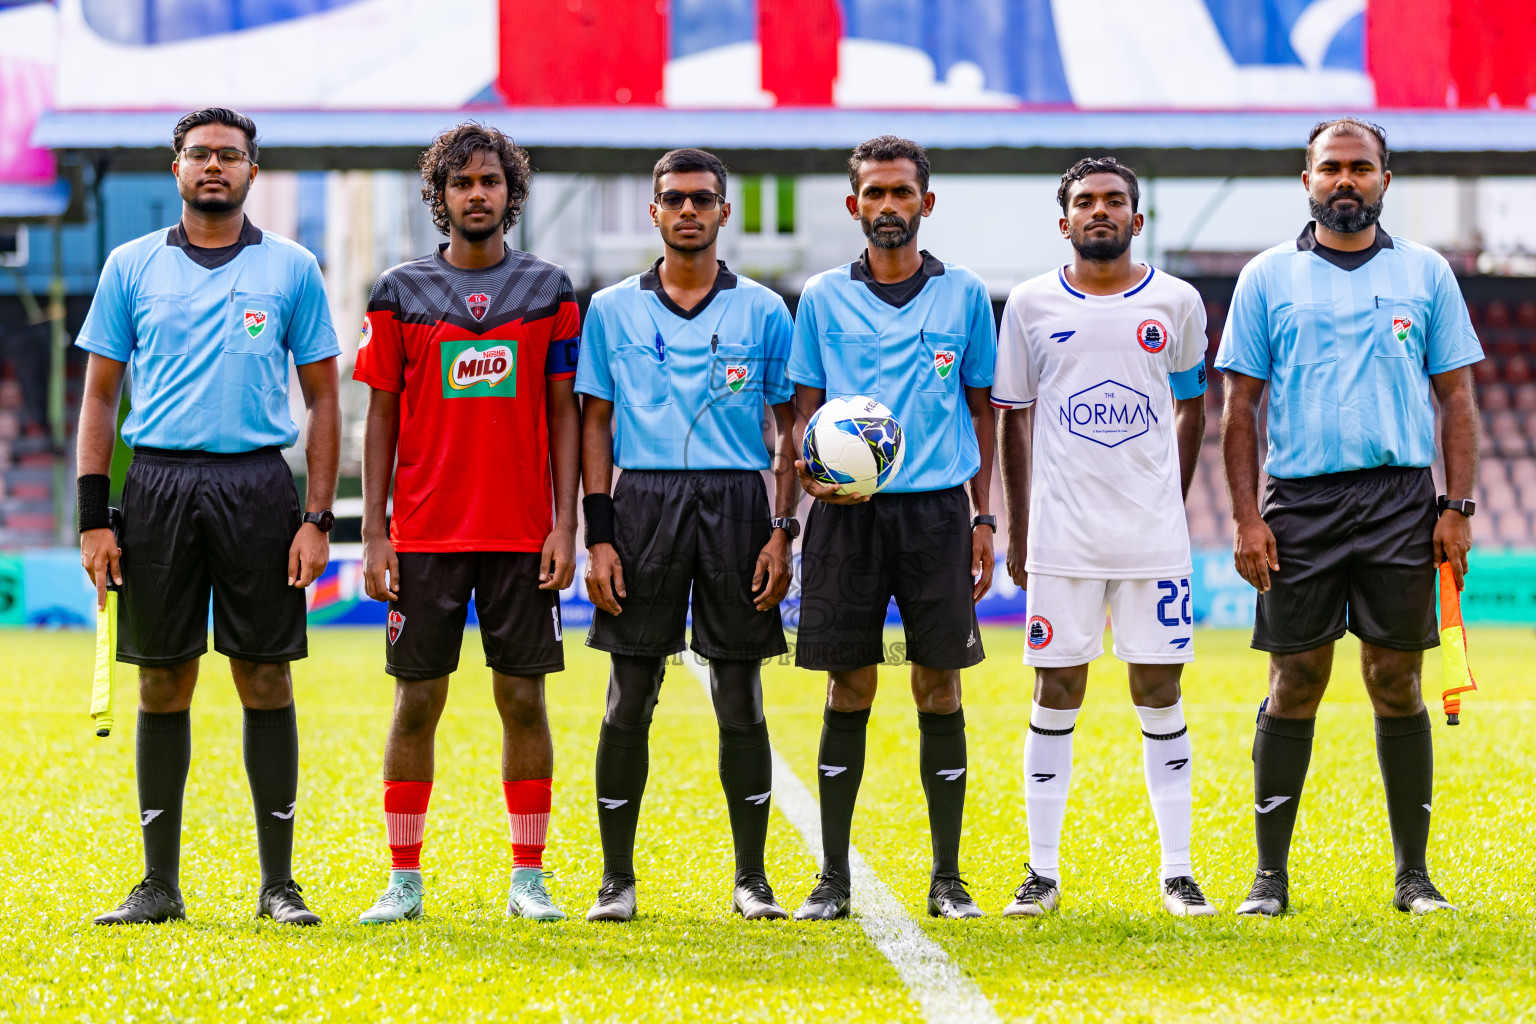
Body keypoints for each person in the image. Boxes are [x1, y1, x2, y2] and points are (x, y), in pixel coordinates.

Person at [77, 107, 340, 925]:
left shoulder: (292, 268)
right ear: (177, 168)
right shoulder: (130, 265)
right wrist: (94, 516)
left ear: (253, 171)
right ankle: (158, 885)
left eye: (231, 155)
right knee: (163, 679)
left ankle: (279, 885)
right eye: (200, 154)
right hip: (156, 485)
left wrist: (318, 518)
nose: (215, 166)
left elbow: (326, 399)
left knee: (264, 674)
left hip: (259, 487)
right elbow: (98, 394)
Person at [1217, 118, 1483, 917]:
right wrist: (1245, 518)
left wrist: (1457, 506)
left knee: (1394, 681)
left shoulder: (1427, 272)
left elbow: (1457, 399)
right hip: (1298, 503)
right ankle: (1270, 877)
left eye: (1360, 169)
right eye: (1330, 168)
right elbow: (1239, 412)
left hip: (1403, 499)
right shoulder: (1267, 277)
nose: (1345, 181)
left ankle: (1414, 876)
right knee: (1295, 678)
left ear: (1384, 180)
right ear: (1306, 179)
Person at [352, 123, 581, 923]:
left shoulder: (550, 291)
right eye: (461, 183)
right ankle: (404, 880)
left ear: (509, 193)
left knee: (524, 702)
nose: (476, 194)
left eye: (489, 181)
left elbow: (565, 415)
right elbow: (381, 415)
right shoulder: (399, 291)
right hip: (424, 535)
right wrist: (377, 533)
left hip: (522, 534)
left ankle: (529, 878)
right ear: (439, 196)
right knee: (416, 704)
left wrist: (566, 526)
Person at [577, 148, 797, 923]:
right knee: (630, 692)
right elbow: (595, 422)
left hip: (738, 502)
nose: (689, 211)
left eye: (703, 199)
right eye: (674, 199)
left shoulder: (767, 311)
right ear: (655, 212)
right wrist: (597, 535)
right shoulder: (610, 310)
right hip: (643, 504)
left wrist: (781, 531)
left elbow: (788, 427)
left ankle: (752, 878)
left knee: (739, 692)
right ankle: (616, 879)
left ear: (724, 212)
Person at [994, 157, 1215, 918]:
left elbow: (1193, 403)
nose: (1100, 211)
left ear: (1136, 219)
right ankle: (1042, 874)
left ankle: (1179, 872)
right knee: (1057, 689)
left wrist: (1172, 500)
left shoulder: (1178, 302)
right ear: (1064, 222)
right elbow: (1013, 417)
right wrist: (1019, 528)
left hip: (1152, 539)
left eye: (1114, 201)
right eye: (1085, 202)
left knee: (1160, 690)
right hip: (1064, 540)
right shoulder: (1026, 304)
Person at [789, 136, 997, 921]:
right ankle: (833, 879)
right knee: (851, 685)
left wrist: (983, 515)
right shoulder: (821, 297)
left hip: (939, 512)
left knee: (937, 685)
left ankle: (948, 879)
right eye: (872, 194)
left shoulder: (967, 295)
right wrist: (809, 477)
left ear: (925, 203)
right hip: (848, 517)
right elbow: (804, 415)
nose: (886, 206)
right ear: (853, 206)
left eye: (900, 193)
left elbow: (981, 407)